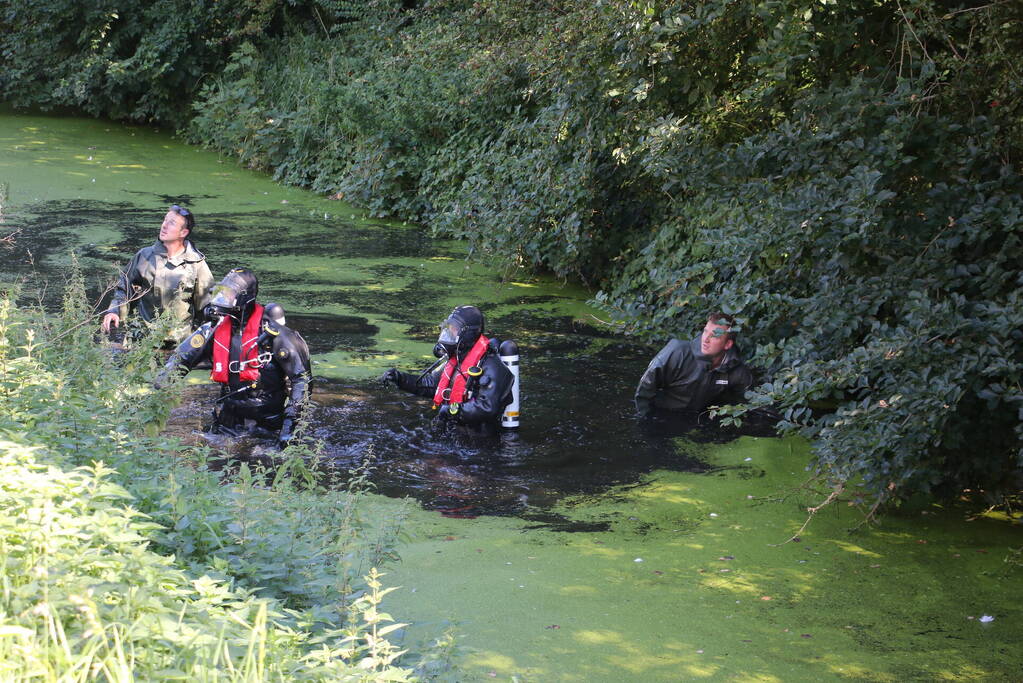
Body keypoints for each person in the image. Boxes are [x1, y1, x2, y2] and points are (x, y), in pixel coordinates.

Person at [156, 268, 311, 447]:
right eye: (222, 292)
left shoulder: (276, 334)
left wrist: (289, 429)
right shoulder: (213, 329)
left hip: (269, 424)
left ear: (244, 298)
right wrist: (164, 382)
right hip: (228, 421)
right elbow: (181, 359)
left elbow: (302, 380)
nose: (223, 298)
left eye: (229, 294)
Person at [379, 305, 514, 436]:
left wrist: (452, 411)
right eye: (449, 328)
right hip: (454, 433)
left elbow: (486, 407)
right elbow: (431, 383)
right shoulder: (457, 357)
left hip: (479, 445)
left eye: (454, 329)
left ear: (468, 333)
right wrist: (400, 379)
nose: (449, 333)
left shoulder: (492, 367)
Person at [102, 204, 214, 344]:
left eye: (171, 223)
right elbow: (124, 289)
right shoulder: (144, 256)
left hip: (179, 345)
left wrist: (198, 344)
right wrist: (114, 311)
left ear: (183, 233)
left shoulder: (196, 264)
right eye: (165, 220)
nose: (164, 225)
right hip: (141, 341)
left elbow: (207, 307)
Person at [634, 311, 753, 417]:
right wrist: (646, 419)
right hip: (661, 414)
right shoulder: (677, 352)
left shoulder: (737, 370)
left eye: (714, 336)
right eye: (705, 331)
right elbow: (644, 391)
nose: (706, 339)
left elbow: (752, 405)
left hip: (698, 419)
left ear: (727, 344)